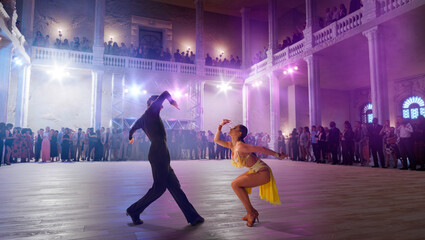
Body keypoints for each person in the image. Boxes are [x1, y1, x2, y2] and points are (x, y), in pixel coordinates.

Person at [126, 91, 204, 226]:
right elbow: (166, 93)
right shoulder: (151, 112)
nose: (161, 106)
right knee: (159, 188)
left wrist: (130, 137)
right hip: (159, 153)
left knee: (175, 186)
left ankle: (193, 216)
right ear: (151, 104)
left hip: (161, 153)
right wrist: (171, 101)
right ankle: (134, 210)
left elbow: (131, 128)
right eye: (158, 104)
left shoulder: (144, 117)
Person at [214, 119, 284, 227]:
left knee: (235, 184)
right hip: (254, 170)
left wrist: (279, 155)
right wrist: (220, 126)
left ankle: (251, 213)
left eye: (234, 128)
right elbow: (216, 140)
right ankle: (251, 211)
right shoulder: (232, 145)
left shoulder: (241, 146)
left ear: (239, 133)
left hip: (263, 172)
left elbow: (262, 149)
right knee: (236, 184)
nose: (231, 128)